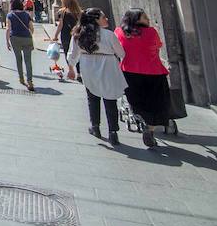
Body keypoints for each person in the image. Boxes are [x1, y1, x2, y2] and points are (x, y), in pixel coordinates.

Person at [68, 8, 127, 146]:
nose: (106, 19)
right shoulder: (108, 35)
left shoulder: (78, 34)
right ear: (96, 20)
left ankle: (95, 127)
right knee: (110, 99)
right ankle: (113, 132)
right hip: (108, 67)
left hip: (88, 67)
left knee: (92, 98)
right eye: (103, 17)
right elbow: (121, 53)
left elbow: (72, 54)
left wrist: (71, 68)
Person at [116, 8, 171, 148]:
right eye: (144, 17)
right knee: (156, 102)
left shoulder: (119, 32)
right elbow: (159, 45)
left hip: (129, 71)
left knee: (136, 100)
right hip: (154, 72)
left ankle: (139, 115)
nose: (148, 19)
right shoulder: (151, 32)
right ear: (136, 19)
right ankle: (150, 127)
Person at [6, 0, 35, 91]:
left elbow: (8, 29)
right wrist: (29, 35)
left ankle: (21, 78)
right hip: (27, 38)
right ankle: (30, 81)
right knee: (28, 60)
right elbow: (31, 28)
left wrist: (7, 41)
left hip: (15, 38)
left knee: (18, 59)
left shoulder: (10, 15)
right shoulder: (26, 14)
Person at [50, 0, 82, 79]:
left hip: (66, 35)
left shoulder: (62, 12)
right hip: (76, 35)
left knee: (68, 52)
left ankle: (71, 71)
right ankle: (79, 73)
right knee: (77, 53)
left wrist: (56, 35)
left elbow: (60, 25)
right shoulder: (79, 12)